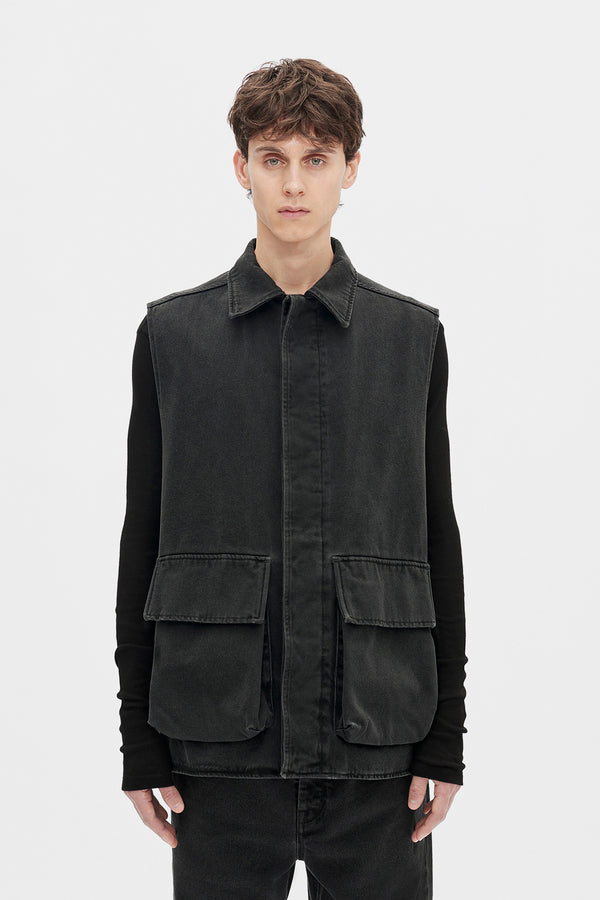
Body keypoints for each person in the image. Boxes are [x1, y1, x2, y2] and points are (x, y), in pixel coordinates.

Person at [114, 57, 468, 899]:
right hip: (217, 755)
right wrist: (139, 744)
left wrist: (445, 739)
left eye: (317, 158)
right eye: (273, 159)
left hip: (377, 756)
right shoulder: (173, 337)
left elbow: (436, 540)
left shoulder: (410, 339)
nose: (295, 183)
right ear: (241, 168)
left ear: (352, 168)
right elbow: (143, 538)